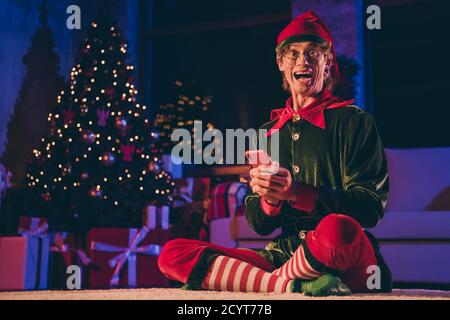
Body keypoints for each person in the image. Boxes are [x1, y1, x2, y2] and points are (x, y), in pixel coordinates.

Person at [158, 11, 391, 296]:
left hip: (342, 254)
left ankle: (257, 283)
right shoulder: (268, 132)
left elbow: (370, 208)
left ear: (327, 62)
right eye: (292, 54)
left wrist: (296, 192)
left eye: (313, 52)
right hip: (284, 257)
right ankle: (291, 286)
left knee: (337, 229)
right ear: (281, 63)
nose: (302, 61)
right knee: (173, 253)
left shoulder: (355, 122)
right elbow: (260, 225)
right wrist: (269, 200)